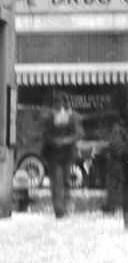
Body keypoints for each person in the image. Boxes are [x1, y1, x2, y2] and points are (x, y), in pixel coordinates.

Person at [41, 91, 83, 219]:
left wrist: (66, 141)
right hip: (53, 154)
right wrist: (54, 141)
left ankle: (64, 206)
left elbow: (78, 133)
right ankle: (58, 210)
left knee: (65, 181)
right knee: (56, 181)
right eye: (56, 102)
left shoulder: (73, 117)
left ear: (65, 103)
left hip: (67, 154)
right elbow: (46, 134)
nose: (57, 105)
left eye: (60, 102)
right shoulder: (50, 118)